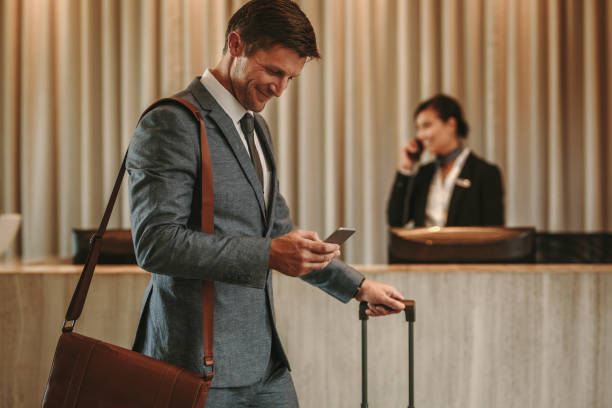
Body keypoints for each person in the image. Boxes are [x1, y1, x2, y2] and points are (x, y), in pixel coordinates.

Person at [127, 1, 406, 406]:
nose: (280, 89)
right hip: (195, 364)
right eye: (274, 71)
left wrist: (359, 286)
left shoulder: (257, 128)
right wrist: (269, 254)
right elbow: (155, 243)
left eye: (291, 77)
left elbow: (277, 232)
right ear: (235, 44)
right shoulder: (172, 121)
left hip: (264, 362)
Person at [387, 94, 504, 228]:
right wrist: (405, 170)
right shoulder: (424, 173)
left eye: (426, 126)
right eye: (418, 128)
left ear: (451, 124)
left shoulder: (485, 173)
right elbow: (396, 220)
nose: (420, 135)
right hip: (424, 249)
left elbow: (494, 234)